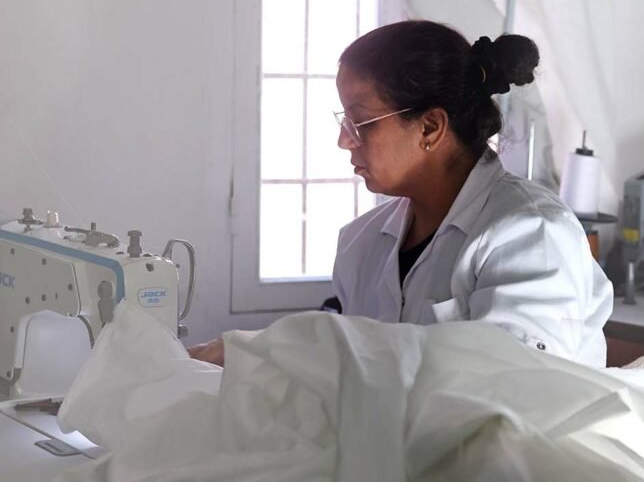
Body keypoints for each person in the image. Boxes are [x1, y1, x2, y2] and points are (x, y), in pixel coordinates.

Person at [189, 20, 612, 367]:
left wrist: (286, 350)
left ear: (430, 127)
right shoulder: (362, 243)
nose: (344, 140)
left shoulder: (530, 234)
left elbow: (507, 390)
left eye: (361, 122)